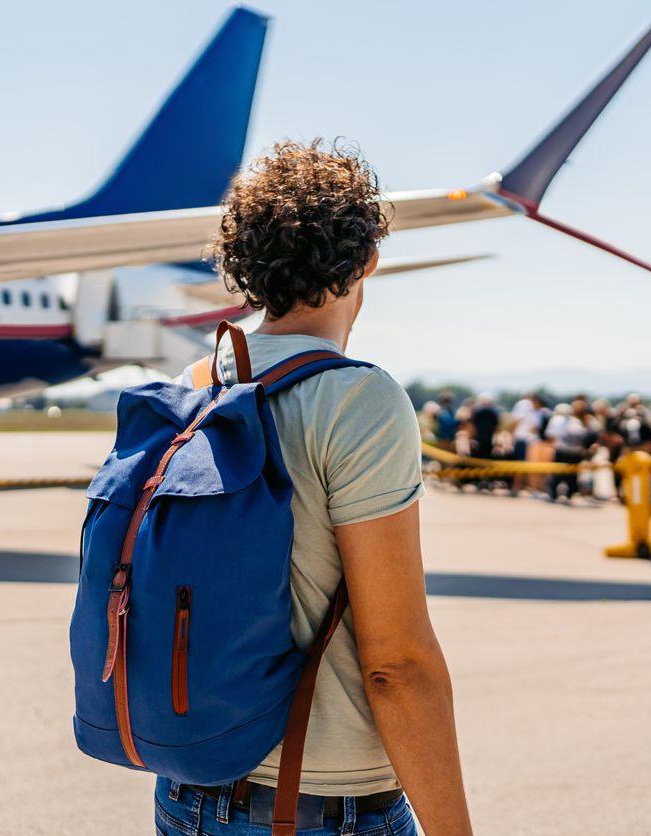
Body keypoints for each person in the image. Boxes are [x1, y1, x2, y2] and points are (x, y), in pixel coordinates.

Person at [164, 140, 470, 833]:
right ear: (366, 261)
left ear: (241, 266)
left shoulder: (198, 384)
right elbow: (396, 665)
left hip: (189, 791)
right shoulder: (357, 398)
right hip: (317, 805)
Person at [470, 394, 500, 459]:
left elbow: (472, 425)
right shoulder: (493, 412)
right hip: (489, 439)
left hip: (479, 438)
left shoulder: (477, 412)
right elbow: (496, 426)